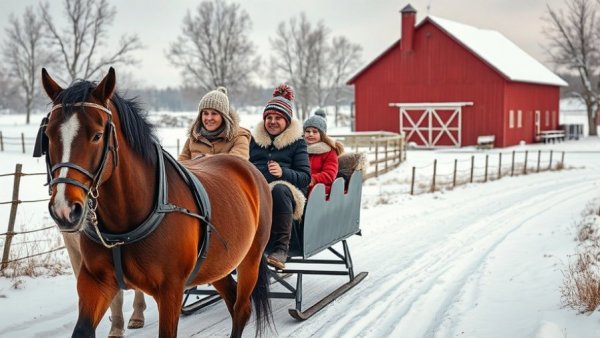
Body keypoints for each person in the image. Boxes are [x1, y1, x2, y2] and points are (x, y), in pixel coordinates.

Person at [249, 84, 311, 269]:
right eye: (269, 117)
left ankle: (281, 248)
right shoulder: (254, 142)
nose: (273, 121)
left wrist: (283, 173)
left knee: (279, 189)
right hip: (257, 187)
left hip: (289, 193)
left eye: (278, 118)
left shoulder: (297, 143)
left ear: (287, 121)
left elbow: (305, 177)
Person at [178, 86, 251, 161]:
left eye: (214, 113)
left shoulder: (239, 137)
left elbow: (237, 163)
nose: (209, 118)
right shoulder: (193, 137)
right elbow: (180, 166)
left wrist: (208, 159)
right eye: (205, 113)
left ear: (224, 117)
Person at [303, 109, 344, 196]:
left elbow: (330, 174)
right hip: (301, 185)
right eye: (308, 131)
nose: (311, 134)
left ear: (322, 134)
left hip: (319, 190)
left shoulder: (329, 151)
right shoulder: (300, 149)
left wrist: (313, 179)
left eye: (315, 132)